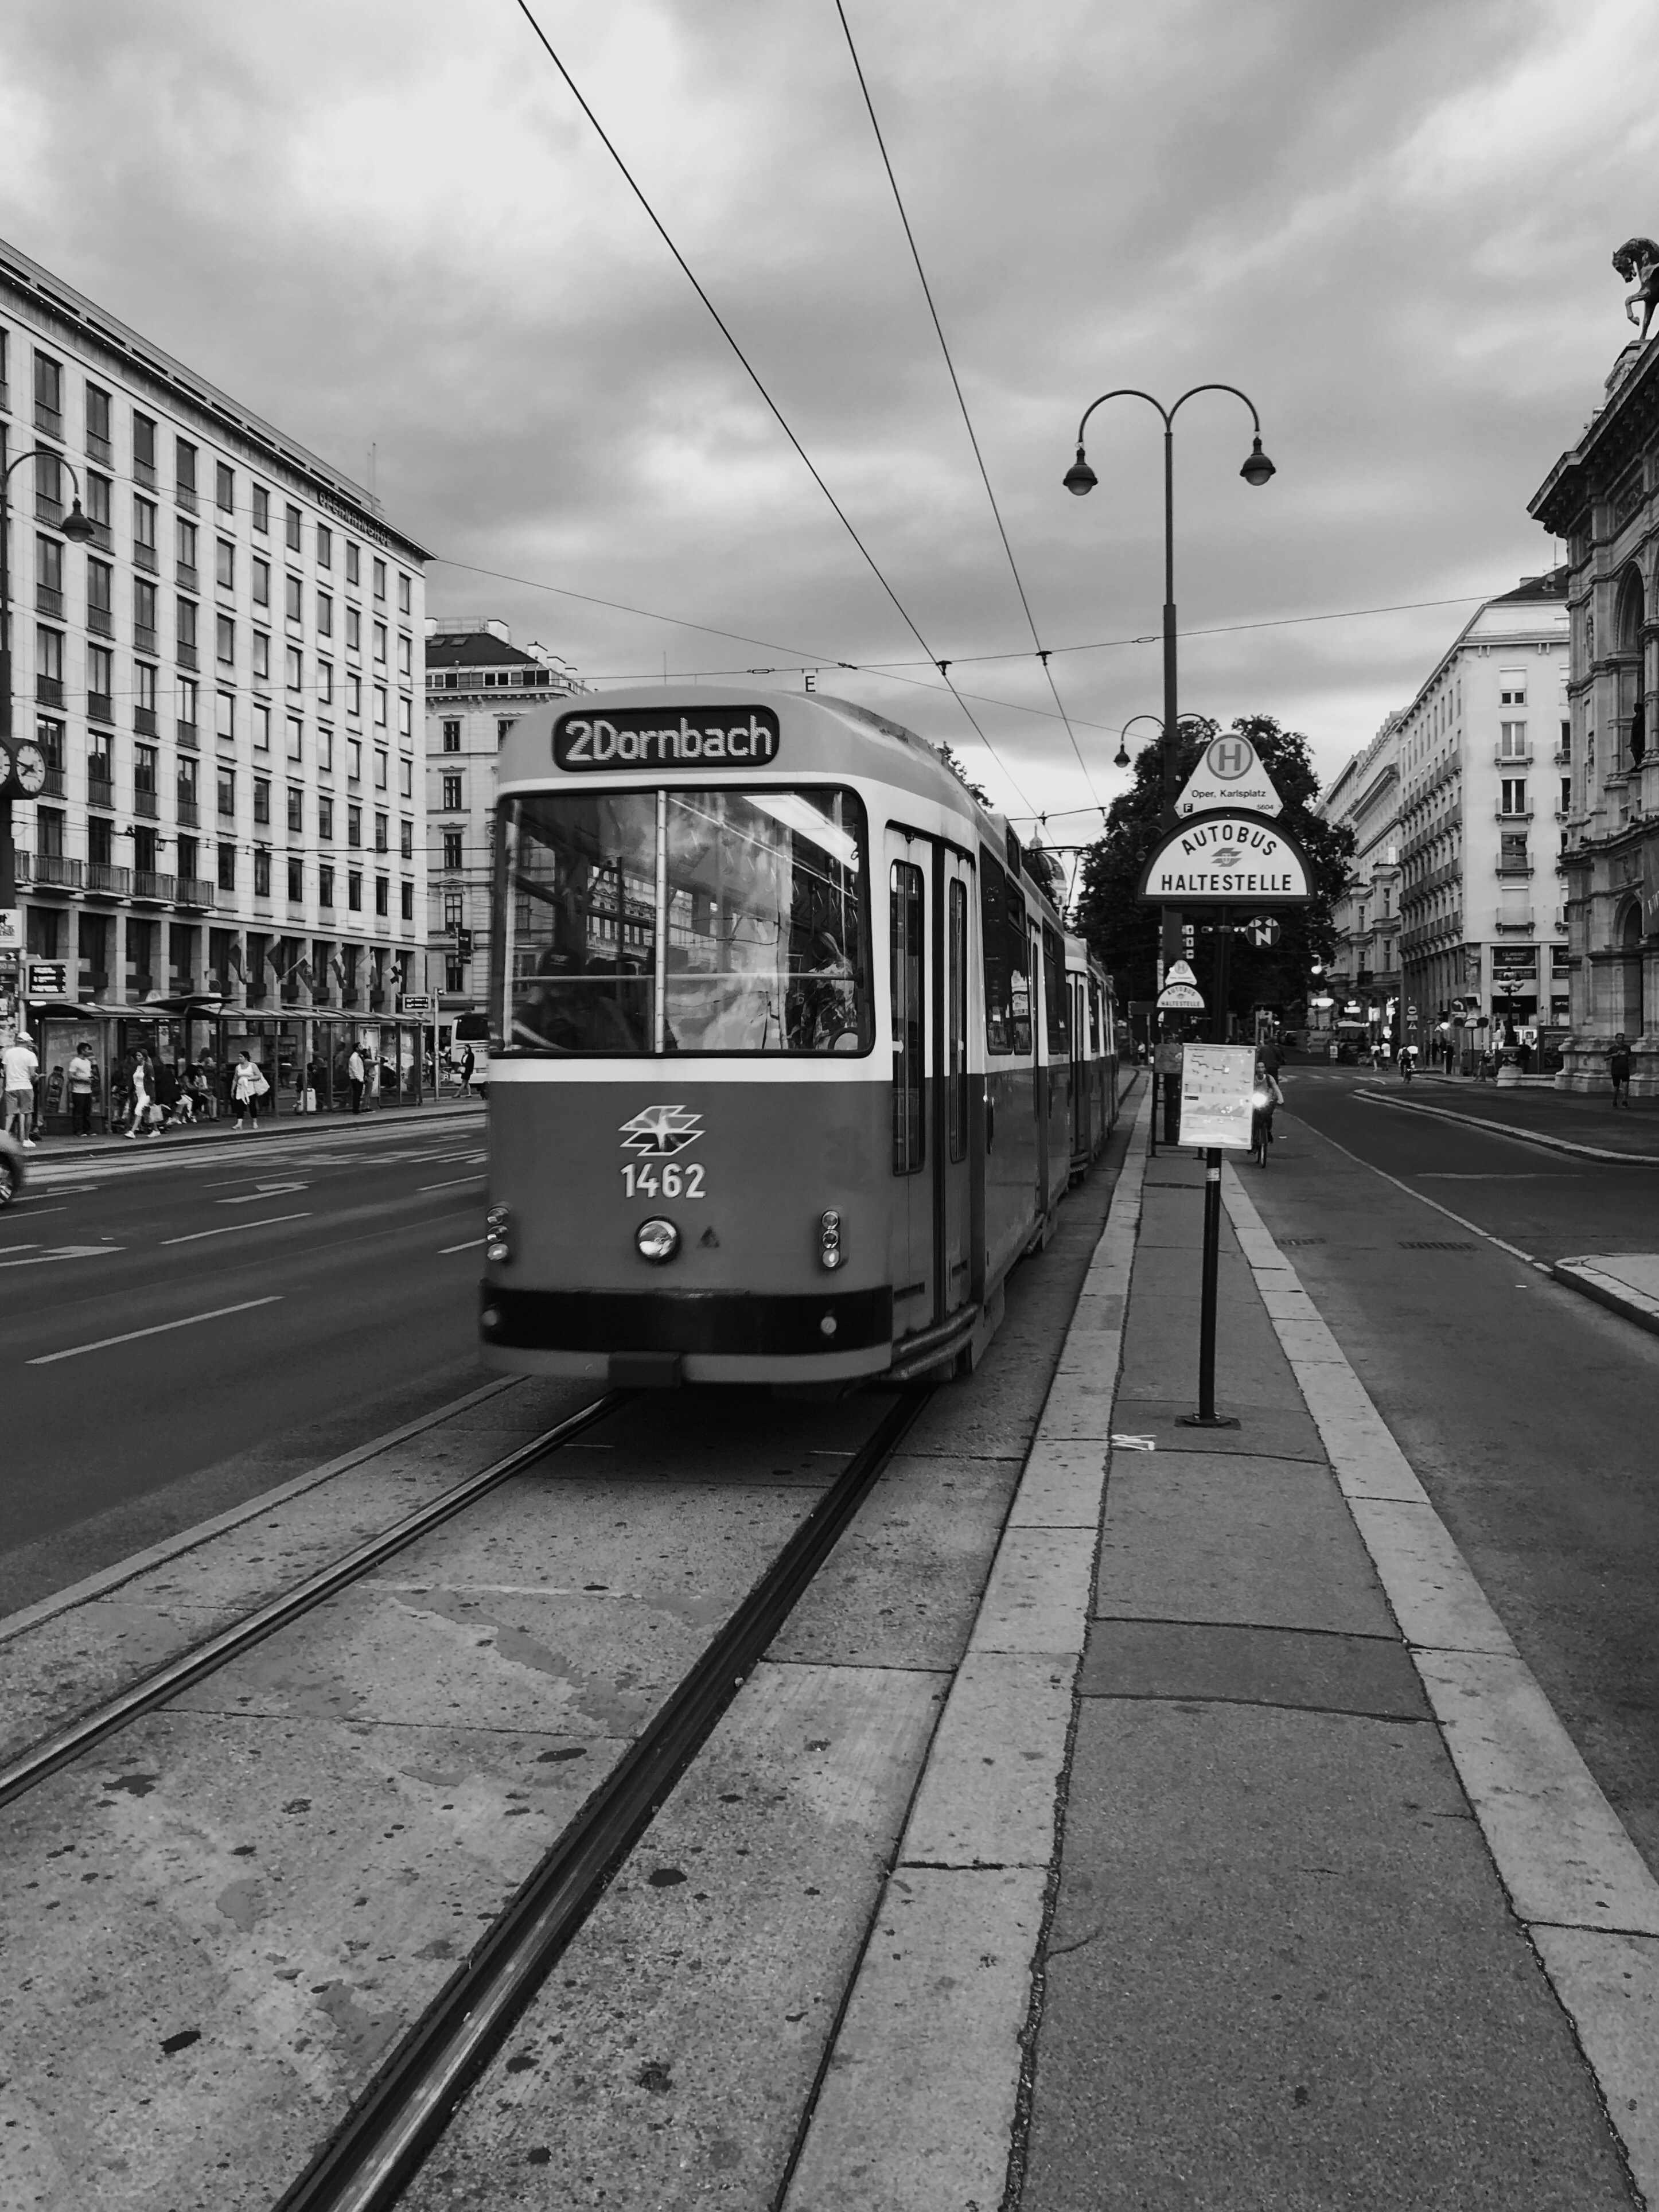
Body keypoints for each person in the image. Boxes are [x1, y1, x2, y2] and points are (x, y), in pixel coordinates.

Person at [2, 1030, 40, 1148]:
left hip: (11, 1087)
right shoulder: (30, 1055)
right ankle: (26, 1139)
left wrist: (5, 1086)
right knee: (28, 1112)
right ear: (27, 1041)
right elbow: (33, 1074)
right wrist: (33, 1081)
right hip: (25, 1086)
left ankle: (5, 1139)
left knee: (10, 1115)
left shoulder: (8, 1053)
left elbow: (5, 1071)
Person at [231, 1050, 268, 1130]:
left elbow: (258, 1076)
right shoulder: (238, 1067)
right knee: (240, 1106)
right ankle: (239, 1123)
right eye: (239, 1057)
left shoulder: (252, 1066)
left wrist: (249, 1079)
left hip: (250, 1090)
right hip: (240, 1089)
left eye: (241, 1057)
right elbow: (235, 1079)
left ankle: (255, 1122)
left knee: (252, 1106)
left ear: (246, 1058)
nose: (239, 1058)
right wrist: (232, 1089)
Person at [67, 1041, 95, 1138]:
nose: (89, 1052)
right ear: (82, 1051)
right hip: (78, 1091)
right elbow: (70, 1076)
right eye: (87, 1050)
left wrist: (91, 1078)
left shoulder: (88, 1062)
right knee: (78, 1112)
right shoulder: (75, 1062)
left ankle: (88, 1130)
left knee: (87, 1112)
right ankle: (78, 1131)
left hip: (88, 1090)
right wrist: (83, 1079)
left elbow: (89, 1074)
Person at [125, 1050, 153, 1138]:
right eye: (137, 1056)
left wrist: (153, 1097)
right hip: (137, 1093)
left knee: (138, 1110)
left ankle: (132, 1132)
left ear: (144, 1057)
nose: (137, 1057)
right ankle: (156, 1130)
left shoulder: (149, 1068)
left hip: (146, 1093)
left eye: (139, 1055)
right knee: (146, 1113)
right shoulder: (135, 1067)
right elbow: (132, 1080)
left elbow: (152, 1083)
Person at [1610, 1031, 1633, 1108]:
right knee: (1616, 1087)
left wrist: (1632, 1067)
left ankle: (1624, 1102)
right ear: (1616, 1039)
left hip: (1625, 1070)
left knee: (1626, 1085)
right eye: (1619, 1038)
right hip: (1616, 1070)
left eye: (1622, 1038)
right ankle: (1614, 1102)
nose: (1621, 1040)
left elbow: (1630, 1057)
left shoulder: (1627, 1048)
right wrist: (1614, 1055)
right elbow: (1606, 1058)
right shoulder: (1612, 1048)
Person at [348, 1043, 366, 1114]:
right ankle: (356, 1109)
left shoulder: (359, 1056)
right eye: (360, 1046)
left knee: (358, 1094)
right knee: (357, 1094)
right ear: (357, 1048)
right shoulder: (354, 1057)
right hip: (356, 1078)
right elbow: (354, 1069)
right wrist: (360, 1079)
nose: (362, 1047)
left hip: (359, 1078)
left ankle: (357, 1108)